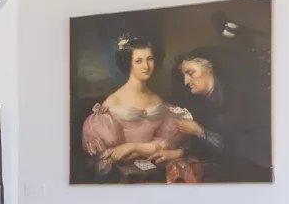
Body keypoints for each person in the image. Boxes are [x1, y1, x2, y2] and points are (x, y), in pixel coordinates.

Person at [80, 35, 201, 183]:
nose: (146, 66)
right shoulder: (113, 102)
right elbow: (112, 154)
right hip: (124, 174)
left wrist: (133, 147)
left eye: (149, 59)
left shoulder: (159, 101)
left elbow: (166, 146)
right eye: (139, 61)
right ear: (128, 64)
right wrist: (144, 149)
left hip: (156, 167)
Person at [173, 49, 269, 182]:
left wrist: (198, 130)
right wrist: (177, 153)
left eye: (190, 73)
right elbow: (202, 147)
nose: (186, 81)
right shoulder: (199, 103)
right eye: (184, 75)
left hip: (253, 169)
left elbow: (231, 145)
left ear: (209, 69)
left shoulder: (237, 99)